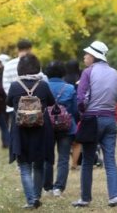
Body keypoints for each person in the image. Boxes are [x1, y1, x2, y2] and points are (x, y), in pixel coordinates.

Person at [72, 41, 117, 208]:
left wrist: (82, 112)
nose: (84, 56)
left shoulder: (88, 72)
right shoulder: (115, 73)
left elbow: (81, 99)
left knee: (87, 160)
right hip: (110, 120)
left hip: (91, 119)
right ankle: (114, 196)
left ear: (93, 56)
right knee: (110, 160)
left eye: (86, 54)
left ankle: (85, 199)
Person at [7, 53, 55, 210]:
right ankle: (36, 196)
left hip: (20, 131)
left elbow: (9, 102)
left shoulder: (15, 86)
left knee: (25, 166)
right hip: (41, 129)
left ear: (20, 69)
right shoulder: (43, 85)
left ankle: (30, 200)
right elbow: (52, 102)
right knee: (39, 164)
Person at [43, 60, 78, 197]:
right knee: (63, 158)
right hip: (66, 128)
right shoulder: (69, 88)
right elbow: (75, 110)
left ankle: (47, 187)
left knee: (47, 158)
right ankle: (59, 188)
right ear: (63, 73)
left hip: (46, 127)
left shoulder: (43, 87)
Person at [4, 39, 35, 119]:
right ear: (30, 49)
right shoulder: (34, 64)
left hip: (14, 106)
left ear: (17, 49)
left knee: (16, 130)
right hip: (34, 106)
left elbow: (6, 86)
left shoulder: (8, 65)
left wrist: (17, 99)